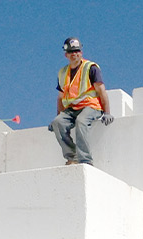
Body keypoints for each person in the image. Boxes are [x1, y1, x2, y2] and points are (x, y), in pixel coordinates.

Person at [50, 37, 114, 166]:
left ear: (81, 52)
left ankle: (85, 160)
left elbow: (101, 90)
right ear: (66, 55)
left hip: (91, 106)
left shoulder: (91, 68)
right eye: (71, 52)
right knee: (57, 123)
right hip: (72, 108)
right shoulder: (62, 72)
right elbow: (60, 97)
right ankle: (72, 157)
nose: (75, 54)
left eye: (77, 51)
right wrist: (59, 117)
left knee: (81, 121)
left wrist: (107, 112)